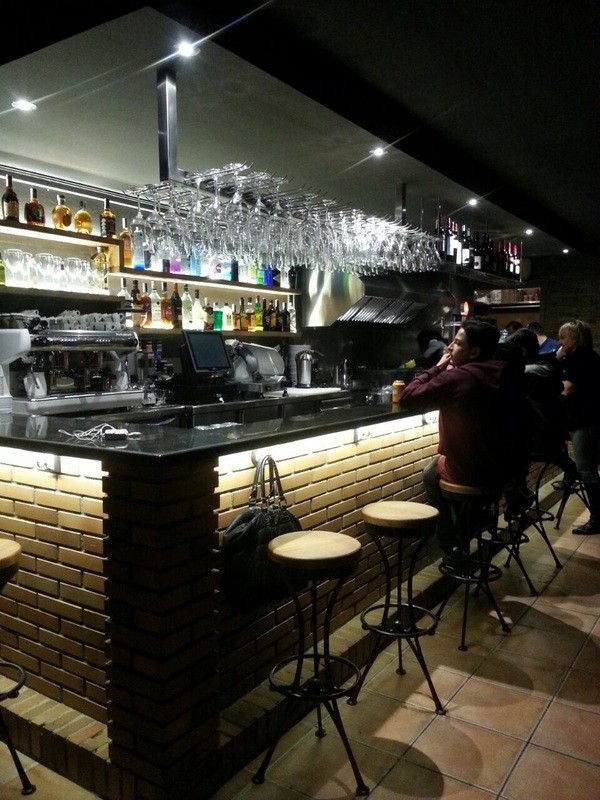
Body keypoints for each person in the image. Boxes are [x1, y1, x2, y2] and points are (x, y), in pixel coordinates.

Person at [401, 319, 518, 557]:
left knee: (429, 474)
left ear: (474, 352)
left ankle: (450, 544)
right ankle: (474, 519)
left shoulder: (458, 377)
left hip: (471, 470)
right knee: (453, 478)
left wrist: (437, 367)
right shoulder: (502, 372)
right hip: (501, 468)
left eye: (457, 343)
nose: (450, 347)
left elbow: (408, 396)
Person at [556, 320, 600, 535]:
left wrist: (557, 363)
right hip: (584, 420)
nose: (559, 342)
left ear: (575, 339)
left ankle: (598, 519)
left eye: (562, 337)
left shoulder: (581, 359)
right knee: (586, 469)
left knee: (587, 471)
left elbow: (567, 389)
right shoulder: (587, 357)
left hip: (584, 421)